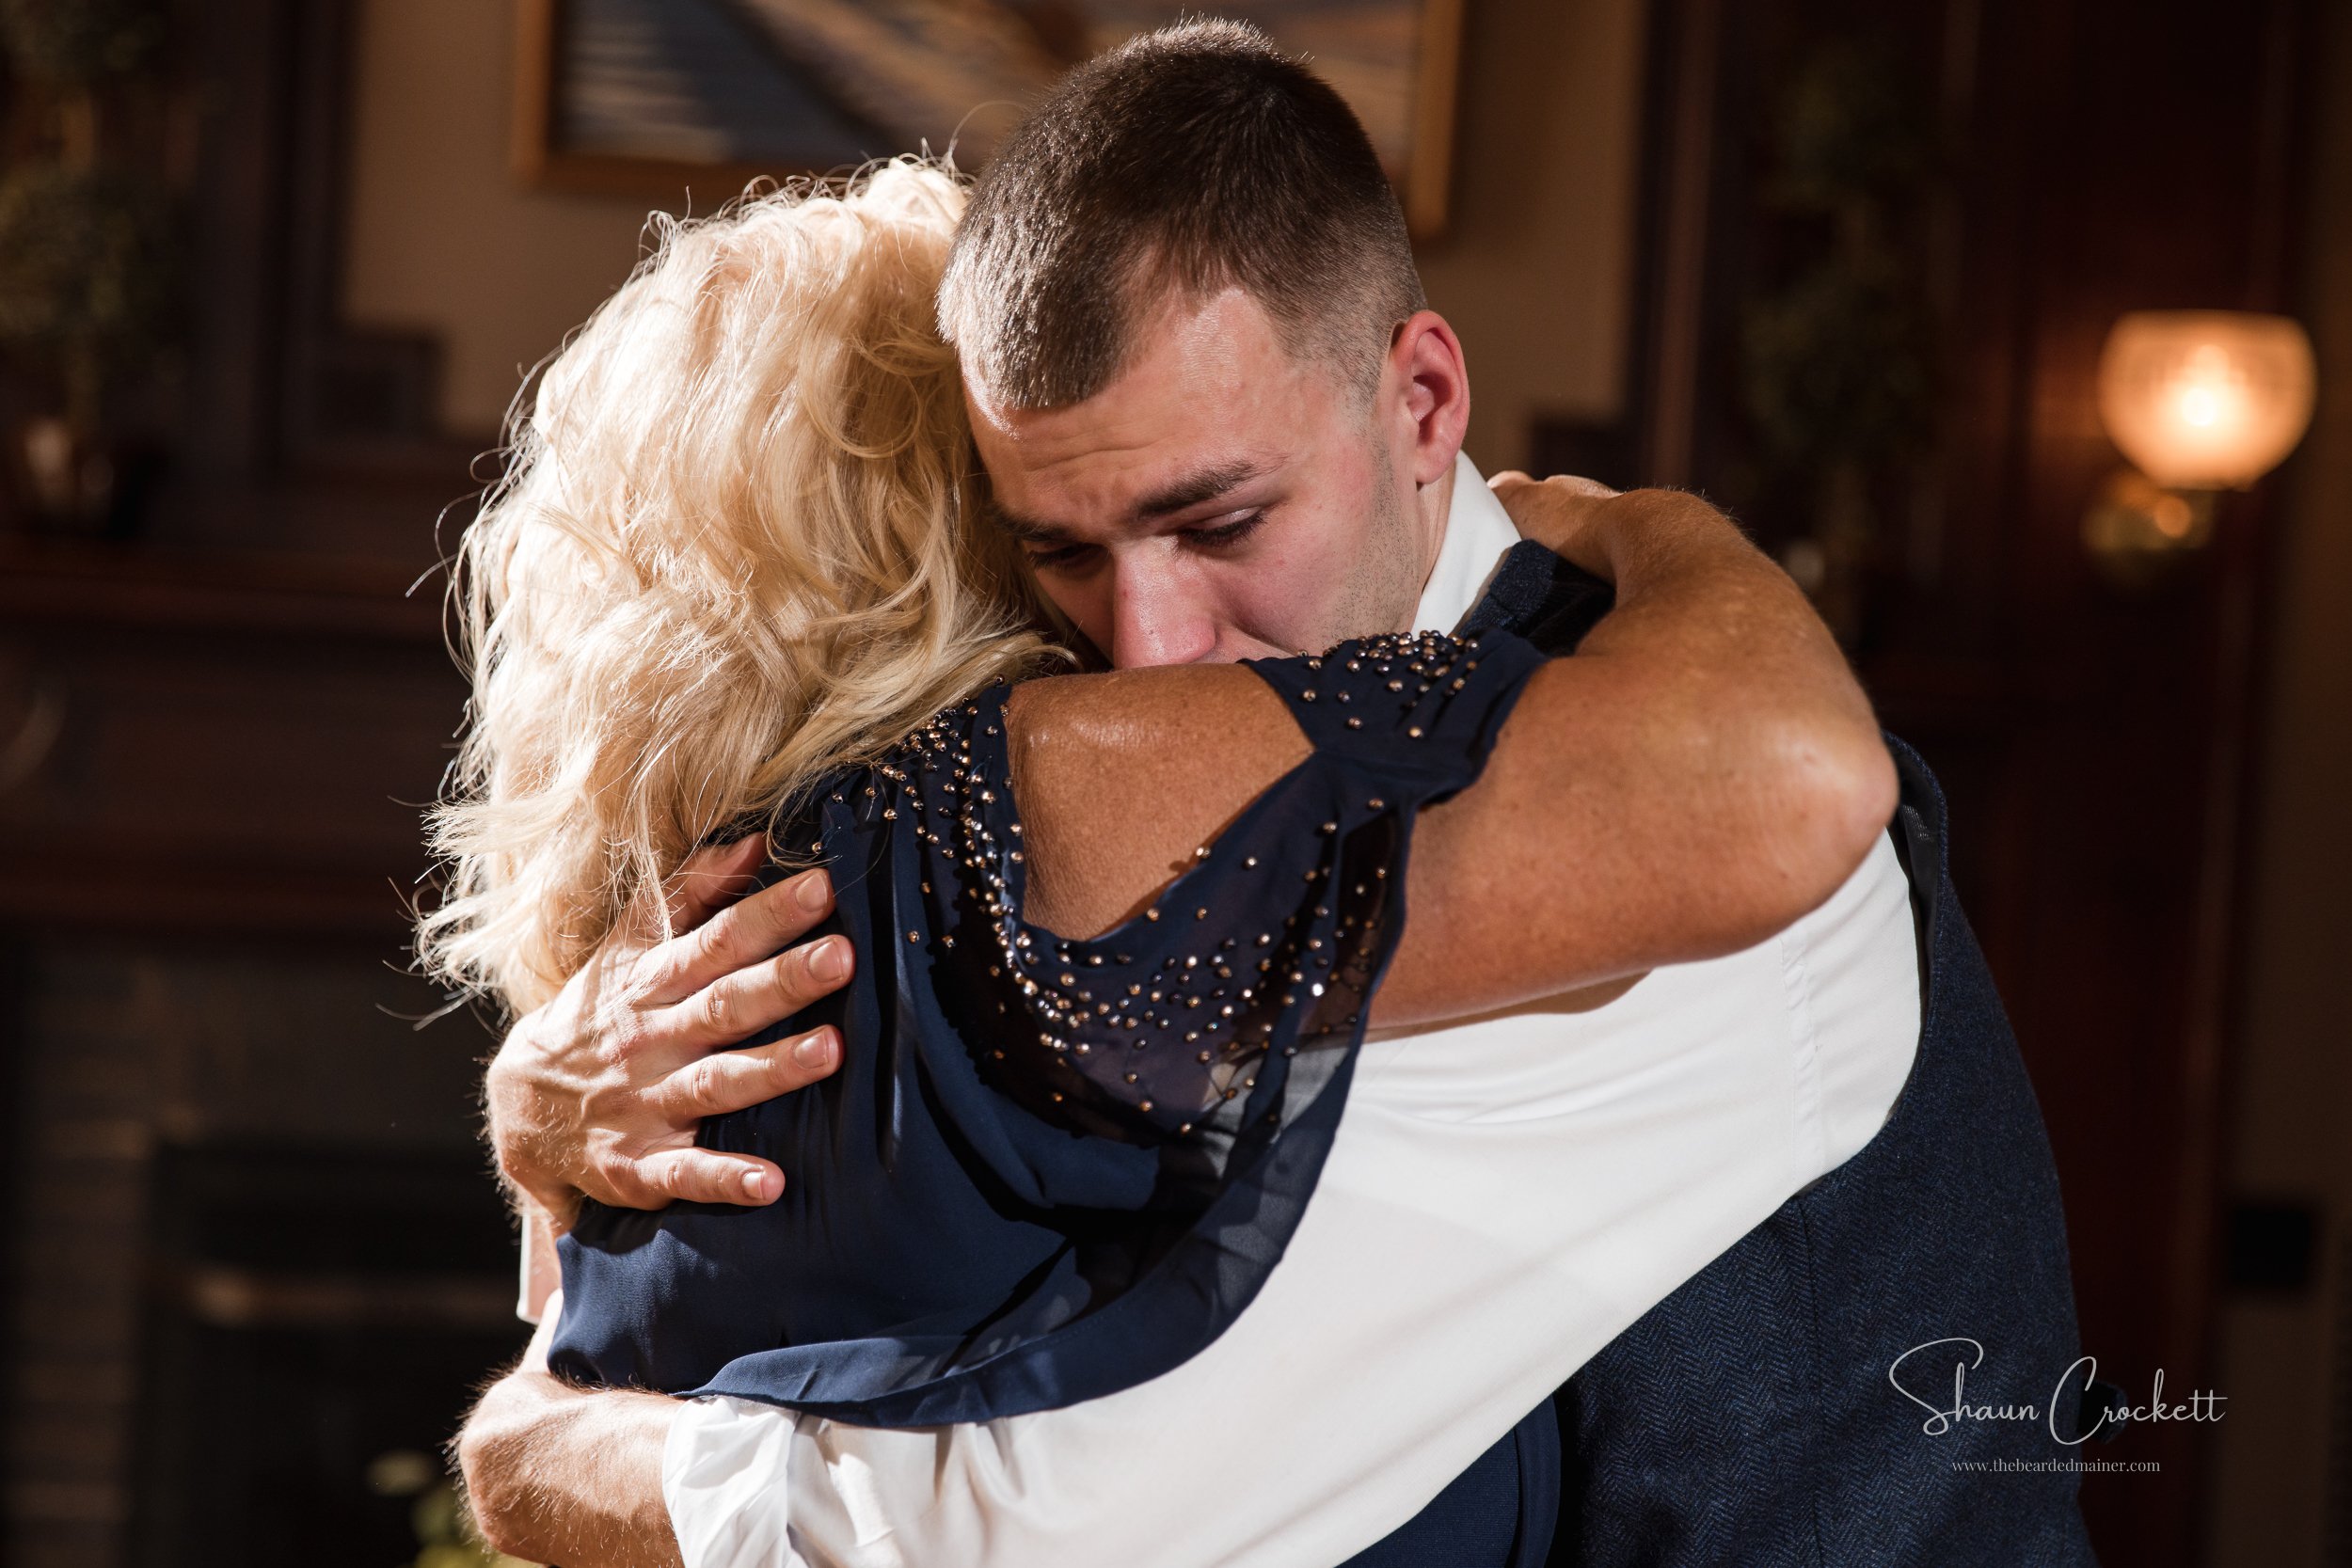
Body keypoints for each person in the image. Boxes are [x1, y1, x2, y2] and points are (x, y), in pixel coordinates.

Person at [457, 23, 2095, 1568]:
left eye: (1223, 523)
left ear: (1425, 403)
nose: (1153, 649)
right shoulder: (1050, 799)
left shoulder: (1682, 847)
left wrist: (545, 1449)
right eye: (1063, 551)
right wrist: (539, 1127)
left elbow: (1065, 1522)